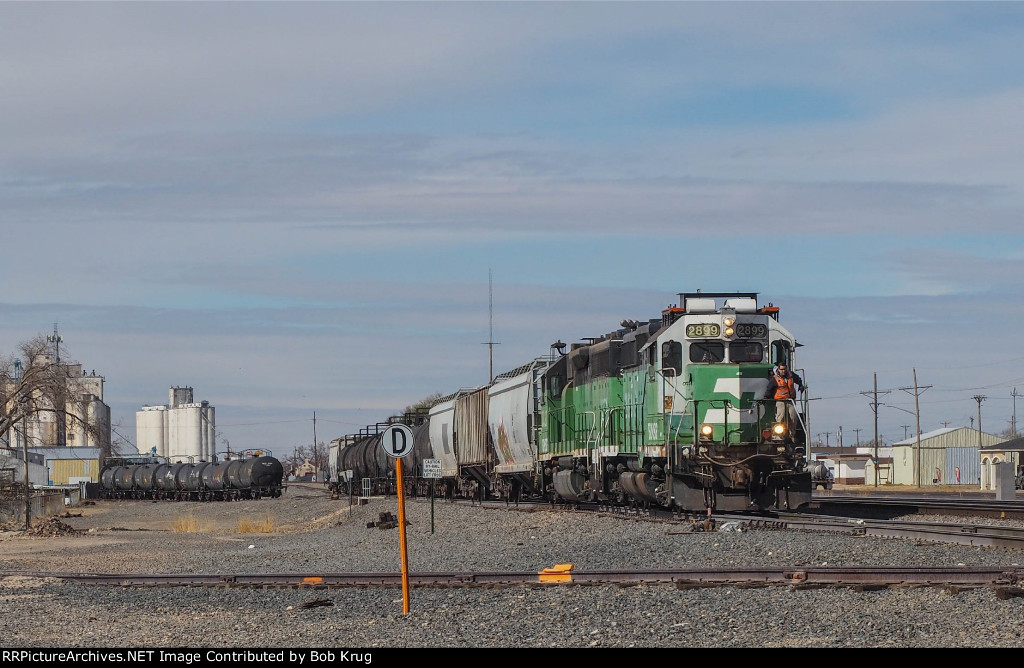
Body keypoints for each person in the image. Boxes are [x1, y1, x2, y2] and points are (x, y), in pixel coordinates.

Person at [765, 363, 804, 433]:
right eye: (781, 369)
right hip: (780, 400)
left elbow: (798, 379)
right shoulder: (775, 379)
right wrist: (766, 397)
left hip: (790, 400)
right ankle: (778, 434)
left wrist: (800, 385)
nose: (783, 371)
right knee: (780, 415)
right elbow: (769, 389)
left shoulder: (791, 375)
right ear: (778, 369)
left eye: (784, 369)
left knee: (794, 416)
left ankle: (792, 434)